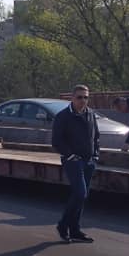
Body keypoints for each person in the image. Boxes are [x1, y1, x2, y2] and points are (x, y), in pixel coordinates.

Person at [51, 84, 99, 243]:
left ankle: (75, 229)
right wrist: (71, 155)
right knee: (80, 193)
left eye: (86, 97)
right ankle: (63, 225)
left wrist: (95, 155)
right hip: (73, 161)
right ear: (72, 98)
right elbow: (56, 141)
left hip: (89, 161)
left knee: (81, 197)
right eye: (79, 97)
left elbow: (96, 136)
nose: (83, 100)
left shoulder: (90, 114)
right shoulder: (63, 116)